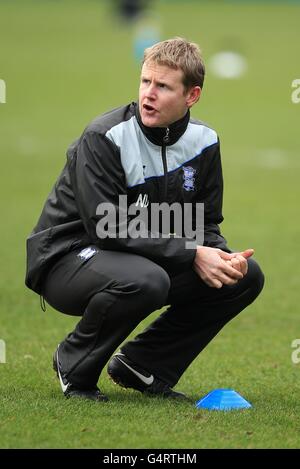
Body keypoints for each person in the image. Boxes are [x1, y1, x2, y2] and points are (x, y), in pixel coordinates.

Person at [25, 37, 264, 402]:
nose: (148, 94)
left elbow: (202, 223)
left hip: (137, 257)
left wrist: (218, 255)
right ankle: (73, 364)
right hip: (68, 258)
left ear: (192, 95)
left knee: (242, 278)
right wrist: (192, 253)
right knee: (146, 280)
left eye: (163, 86)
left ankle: (144, 365)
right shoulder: (104, 137)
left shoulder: (204, 142)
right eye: (145, 82)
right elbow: (106, 227)